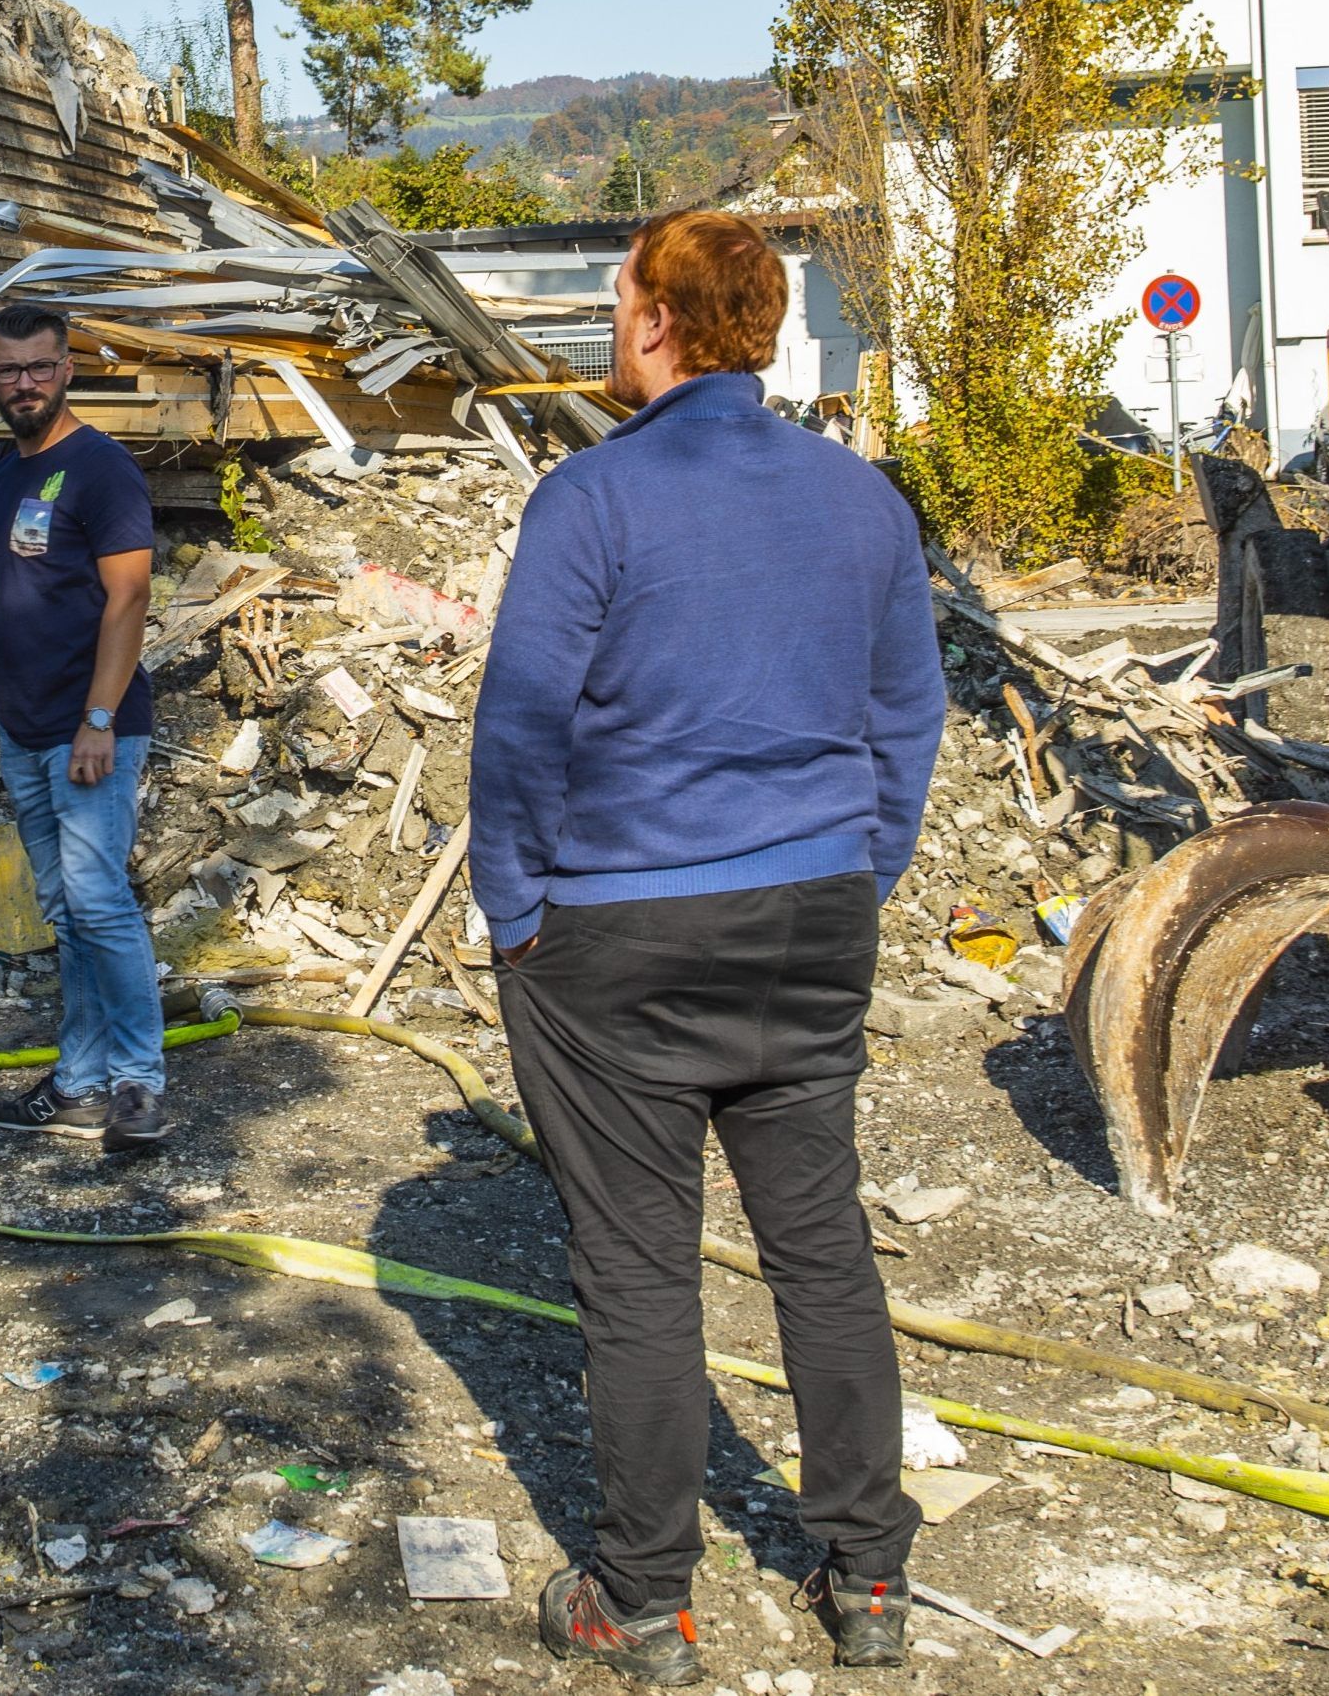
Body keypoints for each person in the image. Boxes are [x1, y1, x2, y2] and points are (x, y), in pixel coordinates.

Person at [471, 212, 945, 1679]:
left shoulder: (591, 498)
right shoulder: (860, 499)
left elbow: (522, 728)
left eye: (619, 301)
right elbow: (905, 715)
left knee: (636, 1271)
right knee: (819, 1247)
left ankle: (643, 1593)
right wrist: (859, 872)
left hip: (620, 928)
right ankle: (866, 1576)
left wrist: (514, 906)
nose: (612, 326)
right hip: (807, 915)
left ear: (663, 322)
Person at [0, 301, 170, 1152]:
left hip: (91, 729)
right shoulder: (6, 473)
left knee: (98, 899)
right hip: (26, 729)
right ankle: (81, 1079)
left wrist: (97, 717)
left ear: (68, 368)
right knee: (68, 909)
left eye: (40, 366)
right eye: (8, 369)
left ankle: (138, 1081)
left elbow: (129, 596)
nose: (24, 382)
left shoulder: (101, 469)